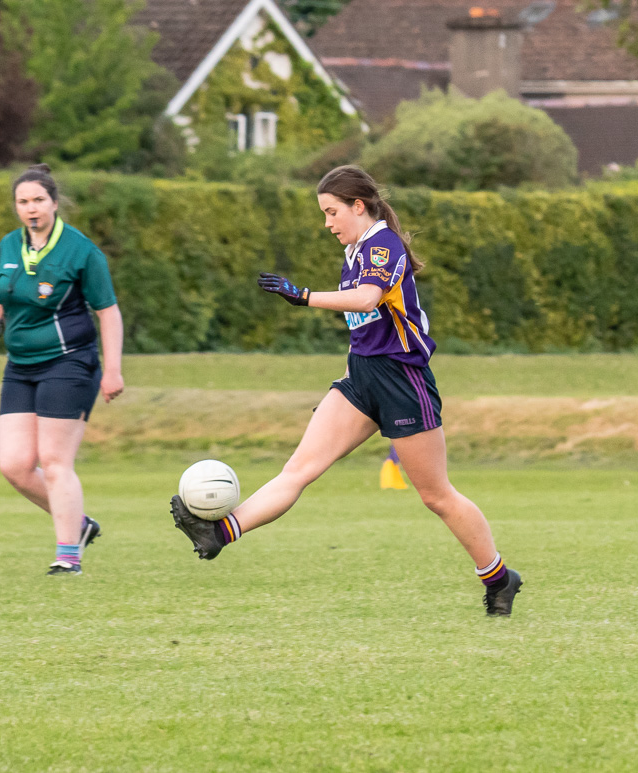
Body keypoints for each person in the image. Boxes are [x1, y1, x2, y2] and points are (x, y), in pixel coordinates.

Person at [170, 165, 523, 616]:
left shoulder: (383, 245)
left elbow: (366, 300)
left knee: (436, 496)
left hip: (402, 380)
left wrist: (303, 296)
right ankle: (218, 534)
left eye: (332, 211)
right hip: (362, 377)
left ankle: (498, 578)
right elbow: (365, 327)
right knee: (299, 468)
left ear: (359, 205)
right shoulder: (356, 250)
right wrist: (346, 383)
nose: (327, 223)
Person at [0, 165, 124, 576]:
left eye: (38, 200)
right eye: (22, 202)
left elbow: (108, 312)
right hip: (20, 367)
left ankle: (68, 554)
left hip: (70, 364)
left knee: (53, 460)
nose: (31, 209)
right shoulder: (8, 247)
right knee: (14, 465)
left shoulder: (81, 251)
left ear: (53, 202)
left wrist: (113, 370)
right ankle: (79, 524)